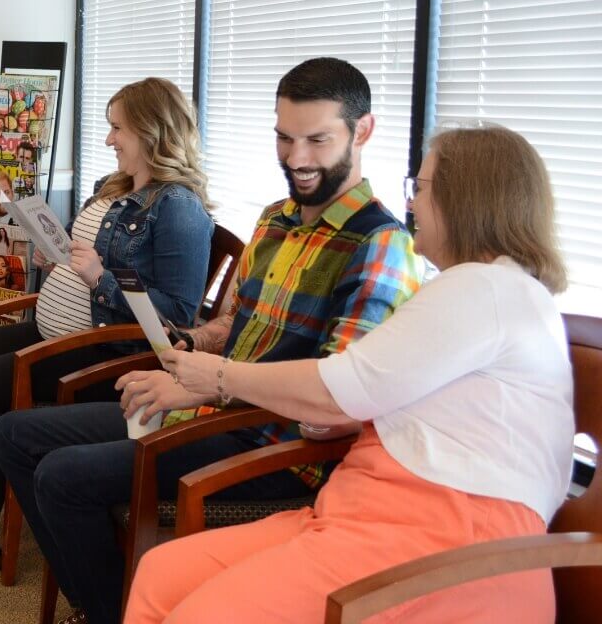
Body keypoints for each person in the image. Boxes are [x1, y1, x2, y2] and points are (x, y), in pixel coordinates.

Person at [0, 57, 425, 624]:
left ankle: (108, 612)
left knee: (62, 477)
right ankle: (106, 603)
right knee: (14, 435)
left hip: (272, 446)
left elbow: (339, 400)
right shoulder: (275, 222)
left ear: (362, 132)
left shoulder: (381, 247)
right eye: (284, 137)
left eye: (317, 140)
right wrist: (187, 348)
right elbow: (233, 327)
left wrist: (208, 388)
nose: (296, 158)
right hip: (207, 407)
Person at [128, 124, 573, 623]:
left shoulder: (487, 289)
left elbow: (343, 388)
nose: (411, 206)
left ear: (463, 200)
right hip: (362, 511)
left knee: (200, 613)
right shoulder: (479, 292)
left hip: (441, 538)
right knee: (162, 573)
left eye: (419, 189)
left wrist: (222, 377)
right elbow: (372, 393)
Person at [0, 77, 216, 577]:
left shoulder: (179, 210)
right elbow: (86, 256)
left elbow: (176, 318)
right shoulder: (118, 186)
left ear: (151, 132)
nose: (109, 139)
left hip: (107, 353)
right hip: (54, 330)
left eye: (117, 129)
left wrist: (99, 279)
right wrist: (54, 257)